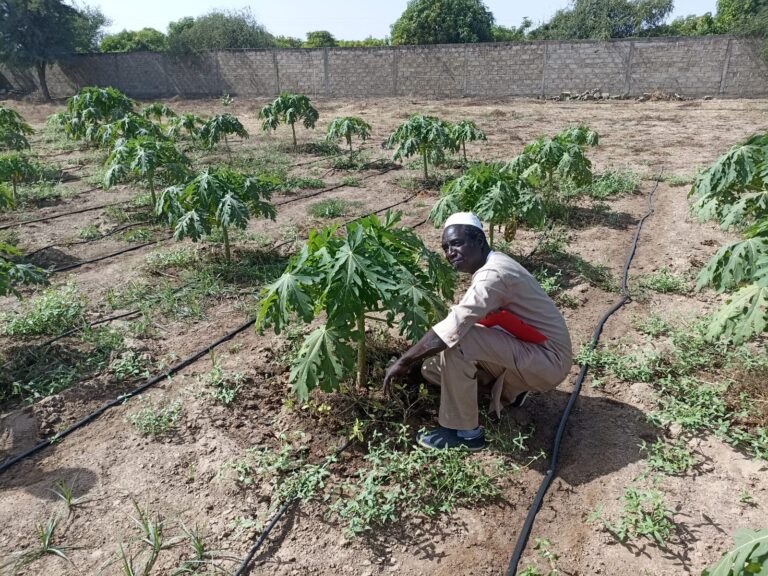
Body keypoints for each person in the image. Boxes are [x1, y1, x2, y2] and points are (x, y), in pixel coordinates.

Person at [383, 212, 573, 451]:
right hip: (531, 352)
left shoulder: (493, 274)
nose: (450, 252)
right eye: (445, 247)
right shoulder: (493, 265)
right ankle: (510, 392)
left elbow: (455, 327)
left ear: (479, 241)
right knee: (433, 369)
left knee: (458, 341)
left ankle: (465, 434)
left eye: (457, 243)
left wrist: (404, 360)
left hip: (549, 359)